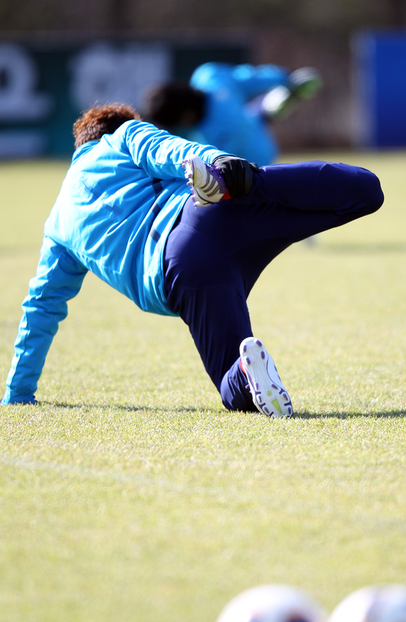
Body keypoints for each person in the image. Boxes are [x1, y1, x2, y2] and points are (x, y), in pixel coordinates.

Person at [1, 103, 384, 417]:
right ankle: (251, 181)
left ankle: (248, 372)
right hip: (210, 216)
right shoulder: (123, 136)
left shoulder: (57, 226)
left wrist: (17, 392)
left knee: (231, 385)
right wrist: (219, 162)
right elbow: (169, 151)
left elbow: (41, 307)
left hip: (180, 276)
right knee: (363, 193)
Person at [142, 63, 323, 167]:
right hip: (253, 126)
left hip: (259, 162)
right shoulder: (209, 75)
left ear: (184, 117)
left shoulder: (207, 142)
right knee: (255, 114)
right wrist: (284, 77)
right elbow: (252, 78)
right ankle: (277, 98)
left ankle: (272, 105)